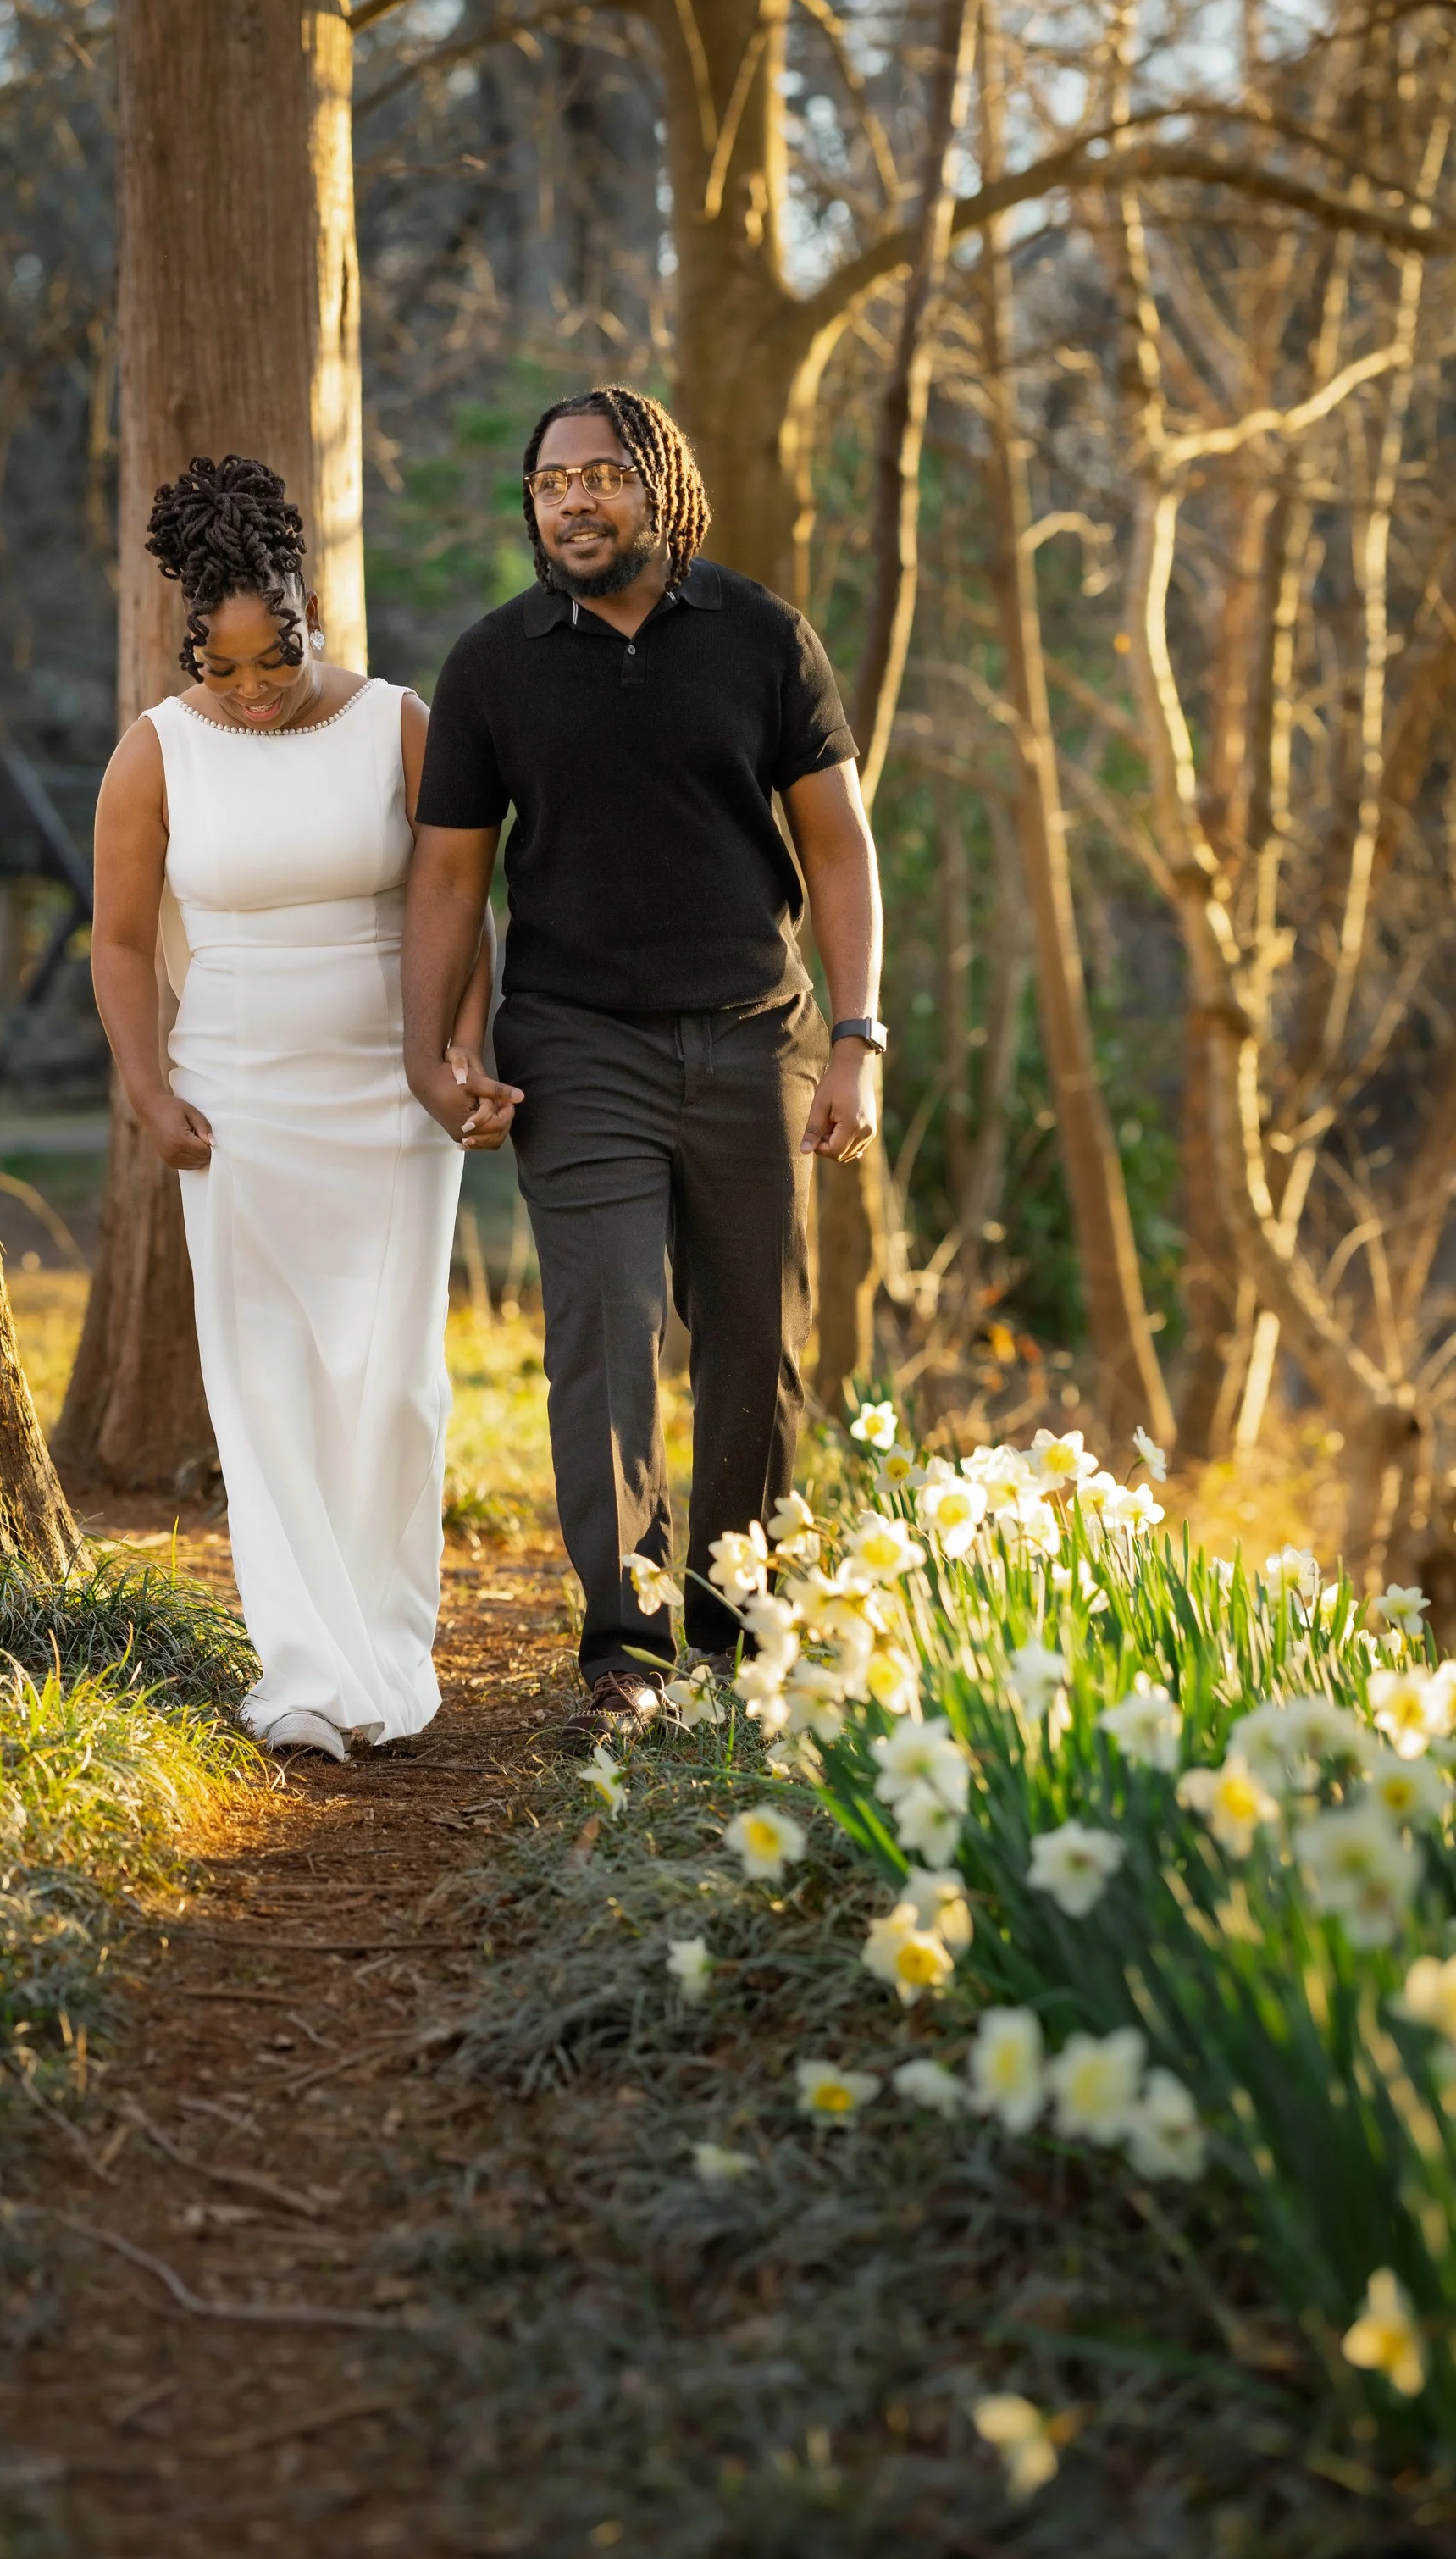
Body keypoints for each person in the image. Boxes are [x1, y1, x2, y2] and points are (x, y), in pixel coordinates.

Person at [401, 385, 884, 1742]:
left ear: (659, 487)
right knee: (606, 1333)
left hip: (756, 1035)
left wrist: (858, 1039)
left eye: (604, 475)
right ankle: (627, 1653)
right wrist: (435, 1050)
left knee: (756, 1346)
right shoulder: (493, 664)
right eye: (553, 482)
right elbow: (448, 878)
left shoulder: (762, 638)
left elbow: (840, 847)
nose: (576, 501)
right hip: (576, 1043)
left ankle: (737, 1635)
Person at [89, 454, 513, 1764]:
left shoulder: (400, 723)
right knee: (264, 1381)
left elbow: (463, 903)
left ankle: (391, 1655)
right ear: (189, 655)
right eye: (224, 671)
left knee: (392, 1387)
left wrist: (463, 1053)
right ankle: (307, 1678)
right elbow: (119, 941)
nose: (255, 691)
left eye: (274, 660)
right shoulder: (157, 752)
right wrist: (150, 1091)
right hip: (238, 1101)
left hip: (392, 1097)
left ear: (311, 618)